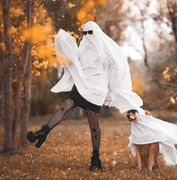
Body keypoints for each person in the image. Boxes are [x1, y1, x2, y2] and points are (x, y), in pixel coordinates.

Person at [27, 21, 143, 171]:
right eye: (84, 33)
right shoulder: (83, 46)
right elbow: (76, 61)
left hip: (96, 90)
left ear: (96, 31)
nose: (87, 36)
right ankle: (42, 132)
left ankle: (95, 159)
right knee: (64, 106)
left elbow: (115, 66)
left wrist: (111, 86)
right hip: (83, 85)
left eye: (90, 32)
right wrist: (66, 46)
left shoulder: (105, 49)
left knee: (93, 124)